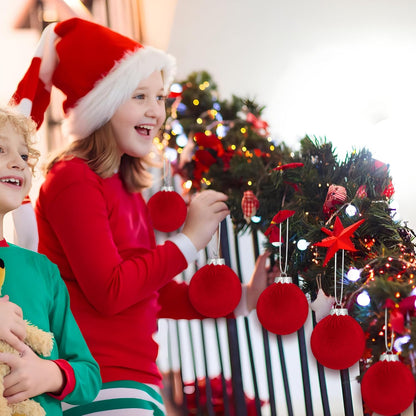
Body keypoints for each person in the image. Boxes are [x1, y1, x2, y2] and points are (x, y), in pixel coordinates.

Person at [11, 17, 275, 415]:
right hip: (97, 384)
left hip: (134, 380)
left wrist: (242, 299)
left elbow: (146, 291)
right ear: (102, 102)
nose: (156, 110)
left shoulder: (126, 187)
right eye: (139, 96)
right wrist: (188, 240)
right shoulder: (73, 180)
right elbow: (110, 291)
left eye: (160, 97)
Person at [0, 104, 101, 415]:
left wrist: (49, 374)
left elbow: (88, 374)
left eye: (25, 157)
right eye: (1, 150)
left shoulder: (43, 271)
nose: (18, 163)